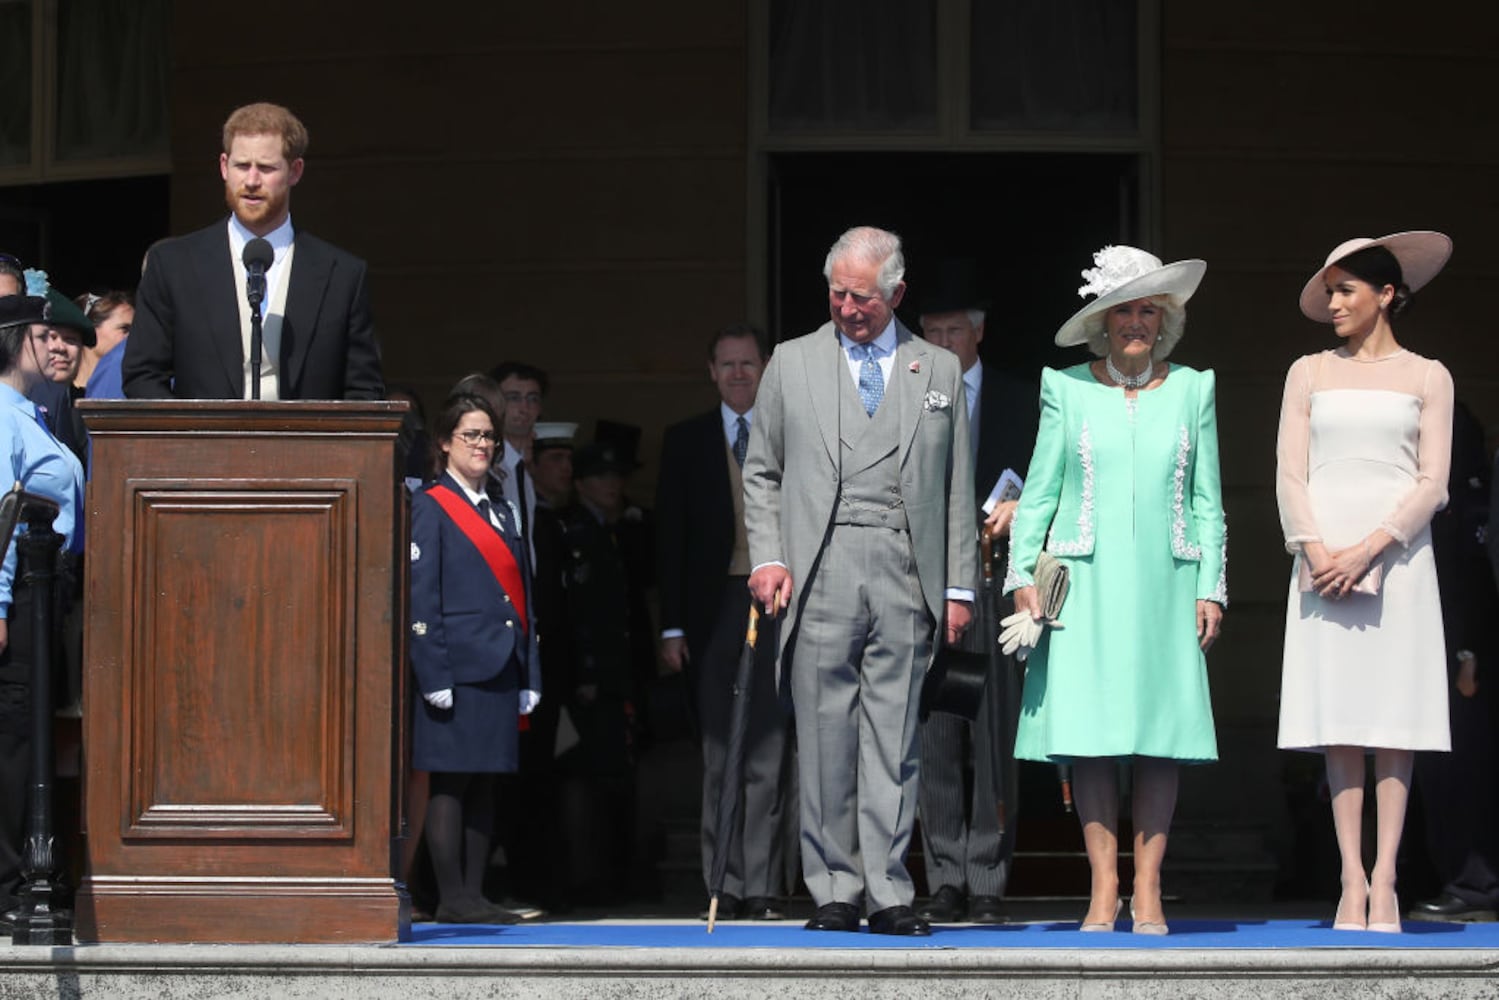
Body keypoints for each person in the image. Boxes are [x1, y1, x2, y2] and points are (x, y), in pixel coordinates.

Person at [744, 226, 978, 937]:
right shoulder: (790, 362)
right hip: (820, 567)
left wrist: (959, 587)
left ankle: (887, 889)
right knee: (822, 733)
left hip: (906, 570)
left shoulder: (934, 369)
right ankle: (833, 886)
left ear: (896, 294)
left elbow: (957, 486)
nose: (847, 307)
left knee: (893, 736)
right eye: (838, 293)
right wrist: (767, 557)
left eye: (862, 297)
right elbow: (762, 471)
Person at [1004, 245, 1224, 936]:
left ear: (1165, 321)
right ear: (1102, 320)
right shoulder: (1064, 388)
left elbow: (1208, 500)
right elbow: (1038, 494)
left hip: (1168, 579)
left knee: (1159, 737)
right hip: (1085, 582)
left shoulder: (1194, 388)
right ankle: (1102, 889)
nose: (1135, 322)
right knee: (1091, 737)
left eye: (1148, 310)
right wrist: (1019, 579)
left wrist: (1210, 586)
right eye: (1123, 309)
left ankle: (1149, 889)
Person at [1276, 231, 1455, 933]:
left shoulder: (1426, 375)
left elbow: (1432, 482)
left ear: (1386, 294)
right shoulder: (1307, 372)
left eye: (1345, 289)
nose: (1333, 303)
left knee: (1392, 720)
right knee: (1340, 722)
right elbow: (1290, 474)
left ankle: (1386, 880)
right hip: (1320, 562)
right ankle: (1349, 877)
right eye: (1328, 291)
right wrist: (1317, 548)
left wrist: (1372, 548)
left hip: (1398, 559)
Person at [913, 260, 1038, 925]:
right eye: (929, 329)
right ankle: (944, 877)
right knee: (936, 734)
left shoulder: (1023, 398)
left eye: (952, 329)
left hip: (995, 587)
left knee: (990, 740)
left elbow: (1054, 485)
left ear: (977, 334)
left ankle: (987, 879)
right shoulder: (902, 401)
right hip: (925, 590)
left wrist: (1025, 510)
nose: (940, 341)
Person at [657, 323, 793, 922]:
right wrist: (671, 627)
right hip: (712, 611)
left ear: (766, 368)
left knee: (768, 750)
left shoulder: (793, 433)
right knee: (720, 753)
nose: (739, 374)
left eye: (748, 364)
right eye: (727, 365)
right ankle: (723, 882)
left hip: (780, 602)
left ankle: (761, 883)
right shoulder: (684, 439)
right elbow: (670, 540)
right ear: (711, 372)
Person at [122, 102, 384, 400]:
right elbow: (142, 376)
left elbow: (363, 391)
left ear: (295, 171)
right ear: (224, 166)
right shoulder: (173, 265)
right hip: (202, 443)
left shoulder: (342, 275)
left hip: (305, 445)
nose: (251, 181)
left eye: (267, 168)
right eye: (242, 166)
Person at [407, 391, 539, 923]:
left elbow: (522, 591)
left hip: (500, 663)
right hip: (456, 668)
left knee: (487, 781)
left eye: (488, 436)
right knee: (451, 782)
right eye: (471, 435)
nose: (482, 445)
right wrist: (432, 669)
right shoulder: (431, 504)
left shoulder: (503, 507)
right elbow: (422, 594)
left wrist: (530, 668)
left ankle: (475, 895)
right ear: (445, 442)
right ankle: (452, 897)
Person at [0, 292, 86, 933]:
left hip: (44, 589)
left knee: (25, 738)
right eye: (44, 334)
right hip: (19, 592)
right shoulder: (2, 416)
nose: (58, 346)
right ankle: (8, 886)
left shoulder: (29, 414)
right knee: (14, 742)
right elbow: (2, 511)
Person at [1411, 401, 1499, 923]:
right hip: (1456, 638)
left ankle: (1475, 882)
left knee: (1460, 765)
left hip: (1464, 645)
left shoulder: (1462, 496)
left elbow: (1471, 569)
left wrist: (1467, 653)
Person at [487, 361, 548, 552]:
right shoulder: (486, 468)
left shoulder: (524, 473)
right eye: (513, 398)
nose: (524, 407)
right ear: (494, 404)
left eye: (533, 399)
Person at [74, 291, 133, 398]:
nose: (132, 337)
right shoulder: (60, 391)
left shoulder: (129, 387)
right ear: (91, 330)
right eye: (124, 329)